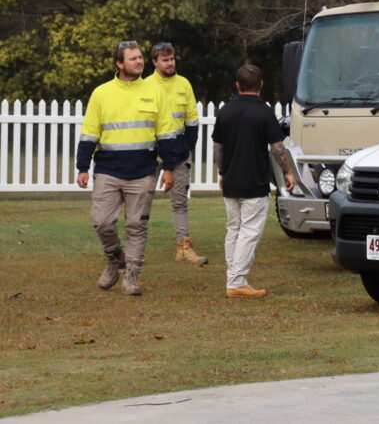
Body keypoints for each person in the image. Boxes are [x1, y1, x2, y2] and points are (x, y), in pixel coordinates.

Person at [76, 41, 178, 295]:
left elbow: (166, 134)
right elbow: (89, 133)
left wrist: (169, 168)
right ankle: (114, 260)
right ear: (119, 64)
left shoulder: (155, 92)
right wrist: (82, 167)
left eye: (140, 57)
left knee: (136, 226)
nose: (139, 61)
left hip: (143, 172)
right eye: (132, 58)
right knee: (101, 222)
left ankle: (131, 276)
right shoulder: (101, 93)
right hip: (108, 171)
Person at [212, 64, 295, 298]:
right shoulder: (264, 112)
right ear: (261, 85)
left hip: (231, 179)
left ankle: (234, 277)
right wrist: (288, 172)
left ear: (237, 85)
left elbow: (218, 147)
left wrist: (222, 172)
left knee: (234, 229)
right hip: (255, 180)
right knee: (249, 231)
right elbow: (277, 147)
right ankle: (237, 281)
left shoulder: (225, 111)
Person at [145, 42, 207, 265]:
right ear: (154, 62)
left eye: (172, 59)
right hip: (150, 154)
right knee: (141, 201)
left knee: (180, 202)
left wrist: (184, 150)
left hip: (179, 153)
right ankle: (135, 249)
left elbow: (192, 121)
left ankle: (184, 247)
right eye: (165, 60)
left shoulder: (184, 84)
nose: (170, 63)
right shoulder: (145, 86)